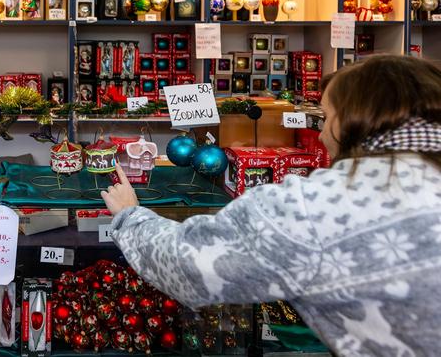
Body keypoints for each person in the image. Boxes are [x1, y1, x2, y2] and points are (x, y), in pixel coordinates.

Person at [101, 55, 441, 357]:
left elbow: (190, 265)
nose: (320, 135)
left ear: (355, 121)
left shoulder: (314, 207)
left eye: (326, 118)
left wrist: (131, 217)